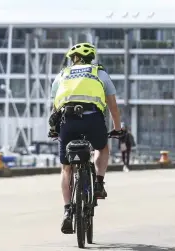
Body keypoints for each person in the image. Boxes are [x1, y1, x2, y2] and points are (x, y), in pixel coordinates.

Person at [48, 42, 124, 234]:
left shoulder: (63, 74)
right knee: (102, 148)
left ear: (74, 59)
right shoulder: (100, 73)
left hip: (67, 121)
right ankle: (98, 183)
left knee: (66, 167)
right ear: (91, 58)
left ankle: (67, 211)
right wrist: (117, 128)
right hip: (93, 120)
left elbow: (55, 106)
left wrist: (53, 129)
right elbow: (113, 106)